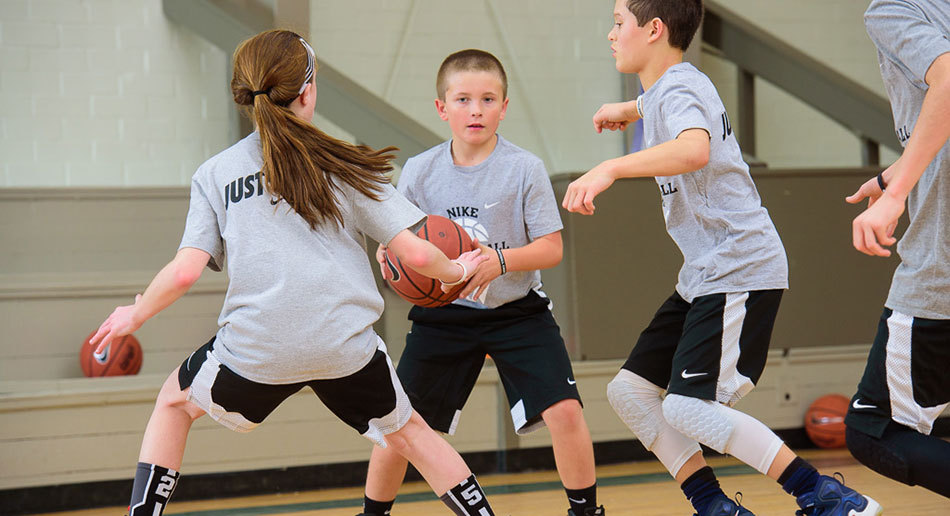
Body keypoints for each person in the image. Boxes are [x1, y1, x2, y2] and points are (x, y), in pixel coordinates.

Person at [89, 30, 498, 516]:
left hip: (256, 348)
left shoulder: (215, 172)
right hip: (344, 346)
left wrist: (134, 315)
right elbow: (417, 256)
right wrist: (458, 269)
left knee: (173, 406)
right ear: (308, 92)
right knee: (411, 433)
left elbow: (183, 273)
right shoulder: (344, 162)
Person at [563, 1, 882, 515]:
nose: (610, 34)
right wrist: (629, 110)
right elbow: (664, 106)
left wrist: (610, 168)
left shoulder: (682, 88)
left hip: (740, 267)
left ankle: (824, 495)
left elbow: (694, 150)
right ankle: (714, 506)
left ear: (653, 29)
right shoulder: (669, 88)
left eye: (618, 23)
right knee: (630, 392)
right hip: (704, 275)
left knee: (688, 406)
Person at [359, 49, 605, 516]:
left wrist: (501, 260)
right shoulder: (419, 171)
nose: (476, 110)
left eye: (488, 99)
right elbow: (392, 243)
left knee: (566, 411)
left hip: (517, 310)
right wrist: (392, 258)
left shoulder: (523, 168)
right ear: (442, 107)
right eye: (464, 99)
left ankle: (586, 512)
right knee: (400, 423)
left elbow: (552, 248)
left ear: (504, 107)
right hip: (443, 315)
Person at [843, 0, 950, 498]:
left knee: (875, 430)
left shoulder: (893, 10)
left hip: (940, 273)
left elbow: (949, 83)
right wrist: (893, 176)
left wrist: (899, 193)